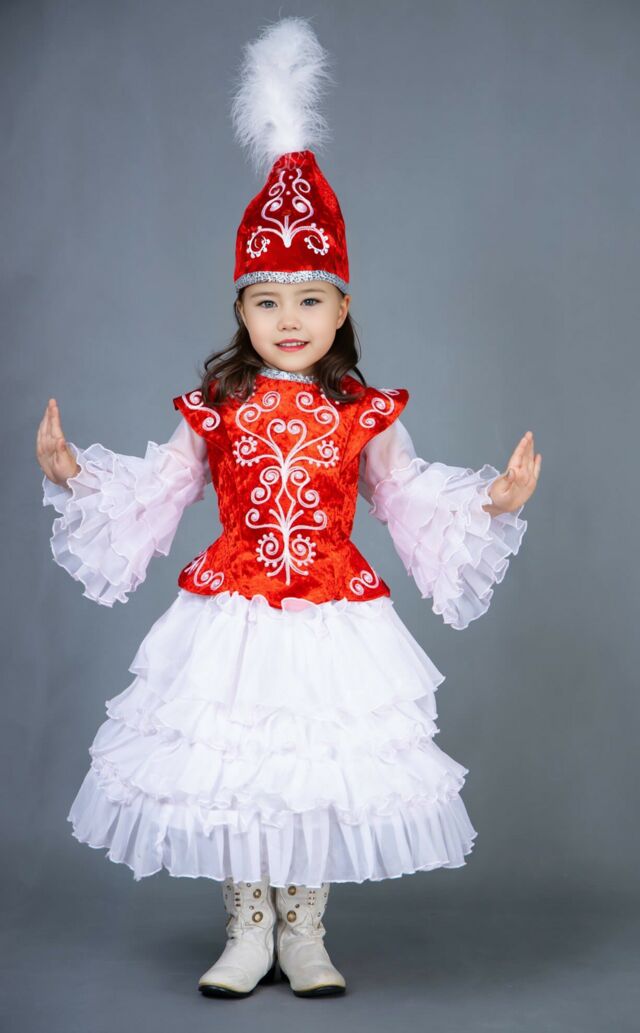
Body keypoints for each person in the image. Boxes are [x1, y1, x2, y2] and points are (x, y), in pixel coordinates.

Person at [36, 16, 541, 1000]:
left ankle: (304, 929)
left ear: (342, 308)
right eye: (267, 301)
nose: (289, 319)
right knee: (241, 767)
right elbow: (161, 486)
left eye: (310, 299)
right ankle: (247, 925)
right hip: (234, 612)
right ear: (241, 311)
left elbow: (406, 493)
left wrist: (490, 499)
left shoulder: (361, 410)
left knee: (309, 766)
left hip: (331, 612)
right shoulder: (217, 405)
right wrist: (75, 478)